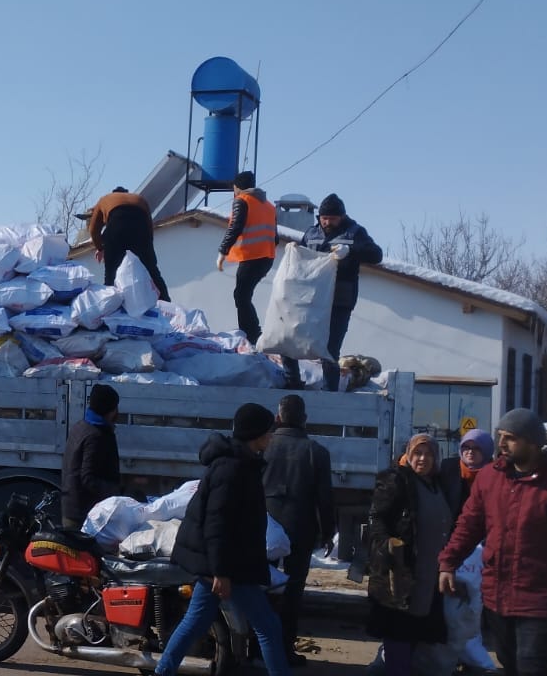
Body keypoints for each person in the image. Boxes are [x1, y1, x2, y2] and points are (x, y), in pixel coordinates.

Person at [438, 408, 547, 676]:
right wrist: (448, 562)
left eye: (510, 438)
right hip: (498, 596)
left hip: (542, 599)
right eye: (500, 436)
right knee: (510, 664)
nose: (501, 444)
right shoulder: (490, 477)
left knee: (531, 667)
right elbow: (469, 524)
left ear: (533, 443)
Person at [156, 403, 290, 676]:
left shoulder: (243, 463)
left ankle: (163, 671)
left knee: (195, 621)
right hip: (229, 565)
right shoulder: (232, 469)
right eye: (269, 431)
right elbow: (217, 524)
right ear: (256, 435)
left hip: (226, 562)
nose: (272, 436)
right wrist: (221, 571)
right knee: (267, 626)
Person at [366, 435, 456, 675]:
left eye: (428, 454)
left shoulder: (436, 483)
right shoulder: (397, 480)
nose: (422, 458)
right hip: (402, 569)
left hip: (429, 570)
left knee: (416, 626)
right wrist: (386, 546)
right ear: (408, 454)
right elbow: (377, 517)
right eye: (417, 453)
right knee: (398, 628)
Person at [281, 193, 382, 391]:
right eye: (324, 218)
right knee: (290, 340)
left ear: (342, 217)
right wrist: (295, 249)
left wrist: (351, 251)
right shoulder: (311, 233)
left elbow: (376, 255)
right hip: (311, 299)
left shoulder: (355, 232)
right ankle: (293, 381)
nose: (327, 222)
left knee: (329, 350)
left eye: (332, 219)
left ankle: (330, 392)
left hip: (339, 300)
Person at [261, 394, 335, 665]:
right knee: (292, 592)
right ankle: (284, 649)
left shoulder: (263, 446)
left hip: (263, 529)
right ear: (304, 420)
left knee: (260, 586)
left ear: (278, 417)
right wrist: (328, 531)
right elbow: (325, 499)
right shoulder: (317, 452)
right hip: (299, 531)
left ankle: (259, 646)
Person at [215, 170, 277, 345]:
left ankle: (251, 335)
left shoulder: (242, 200)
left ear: (237, 187)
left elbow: (235, 227)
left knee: (241, 296)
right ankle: (252, 334)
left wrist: (222, 251)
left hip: (252, 257)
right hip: (267, 257)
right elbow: (276, 236)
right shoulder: (269, 206)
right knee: (243, 295)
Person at [88, 186, 171, 302]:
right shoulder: (139, 199)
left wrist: (100, 248)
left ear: (113, 193)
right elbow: (149, 226)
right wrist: (147, 251)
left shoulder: (105, 199)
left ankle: (108, 305)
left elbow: (93, 229)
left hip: (117, 226)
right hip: (140, 230)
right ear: (127, 193)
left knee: (111, 272)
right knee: (152, 271)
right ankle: (166, 301)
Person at [61, 384, 122, 528]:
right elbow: (88, 478)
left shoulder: (81, 426)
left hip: (74, 508)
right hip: (83, 515)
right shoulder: (96, 436)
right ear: (110, 410)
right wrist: (116, 492)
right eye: (115, 407)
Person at [439, 428, 494, 519]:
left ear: (486, 450)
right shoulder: (447, 467)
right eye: (466, 447)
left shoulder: (495, 473)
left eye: (477, 448)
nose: (470, 452)